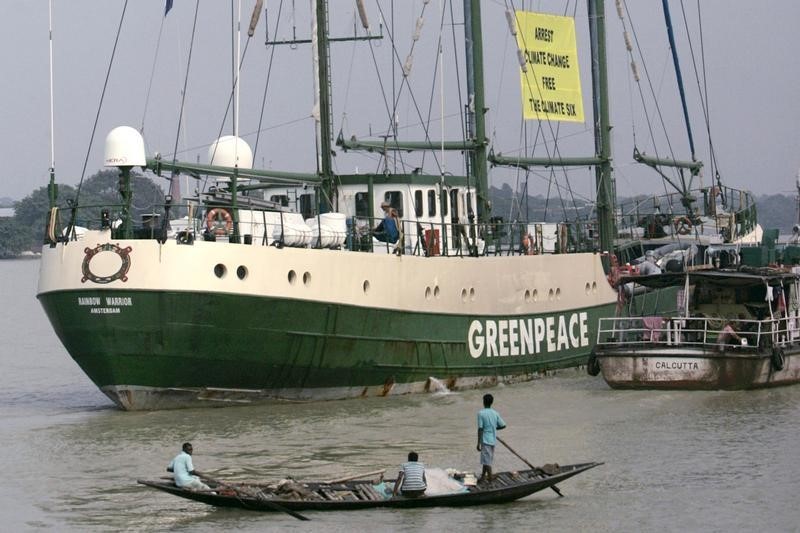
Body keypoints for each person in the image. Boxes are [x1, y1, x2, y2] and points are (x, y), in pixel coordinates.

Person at [476, 393, 506, 483]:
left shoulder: (481, 413)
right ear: (491, 402)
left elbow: (480, 429)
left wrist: (478, 443)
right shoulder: (495, 413)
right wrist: (494, 428)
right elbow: (503, 425)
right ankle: (483, 477)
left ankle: (490, 480)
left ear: (483, 402)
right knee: (486, 460)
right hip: (492, 440)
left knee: (487, 461)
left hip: (485, 440)